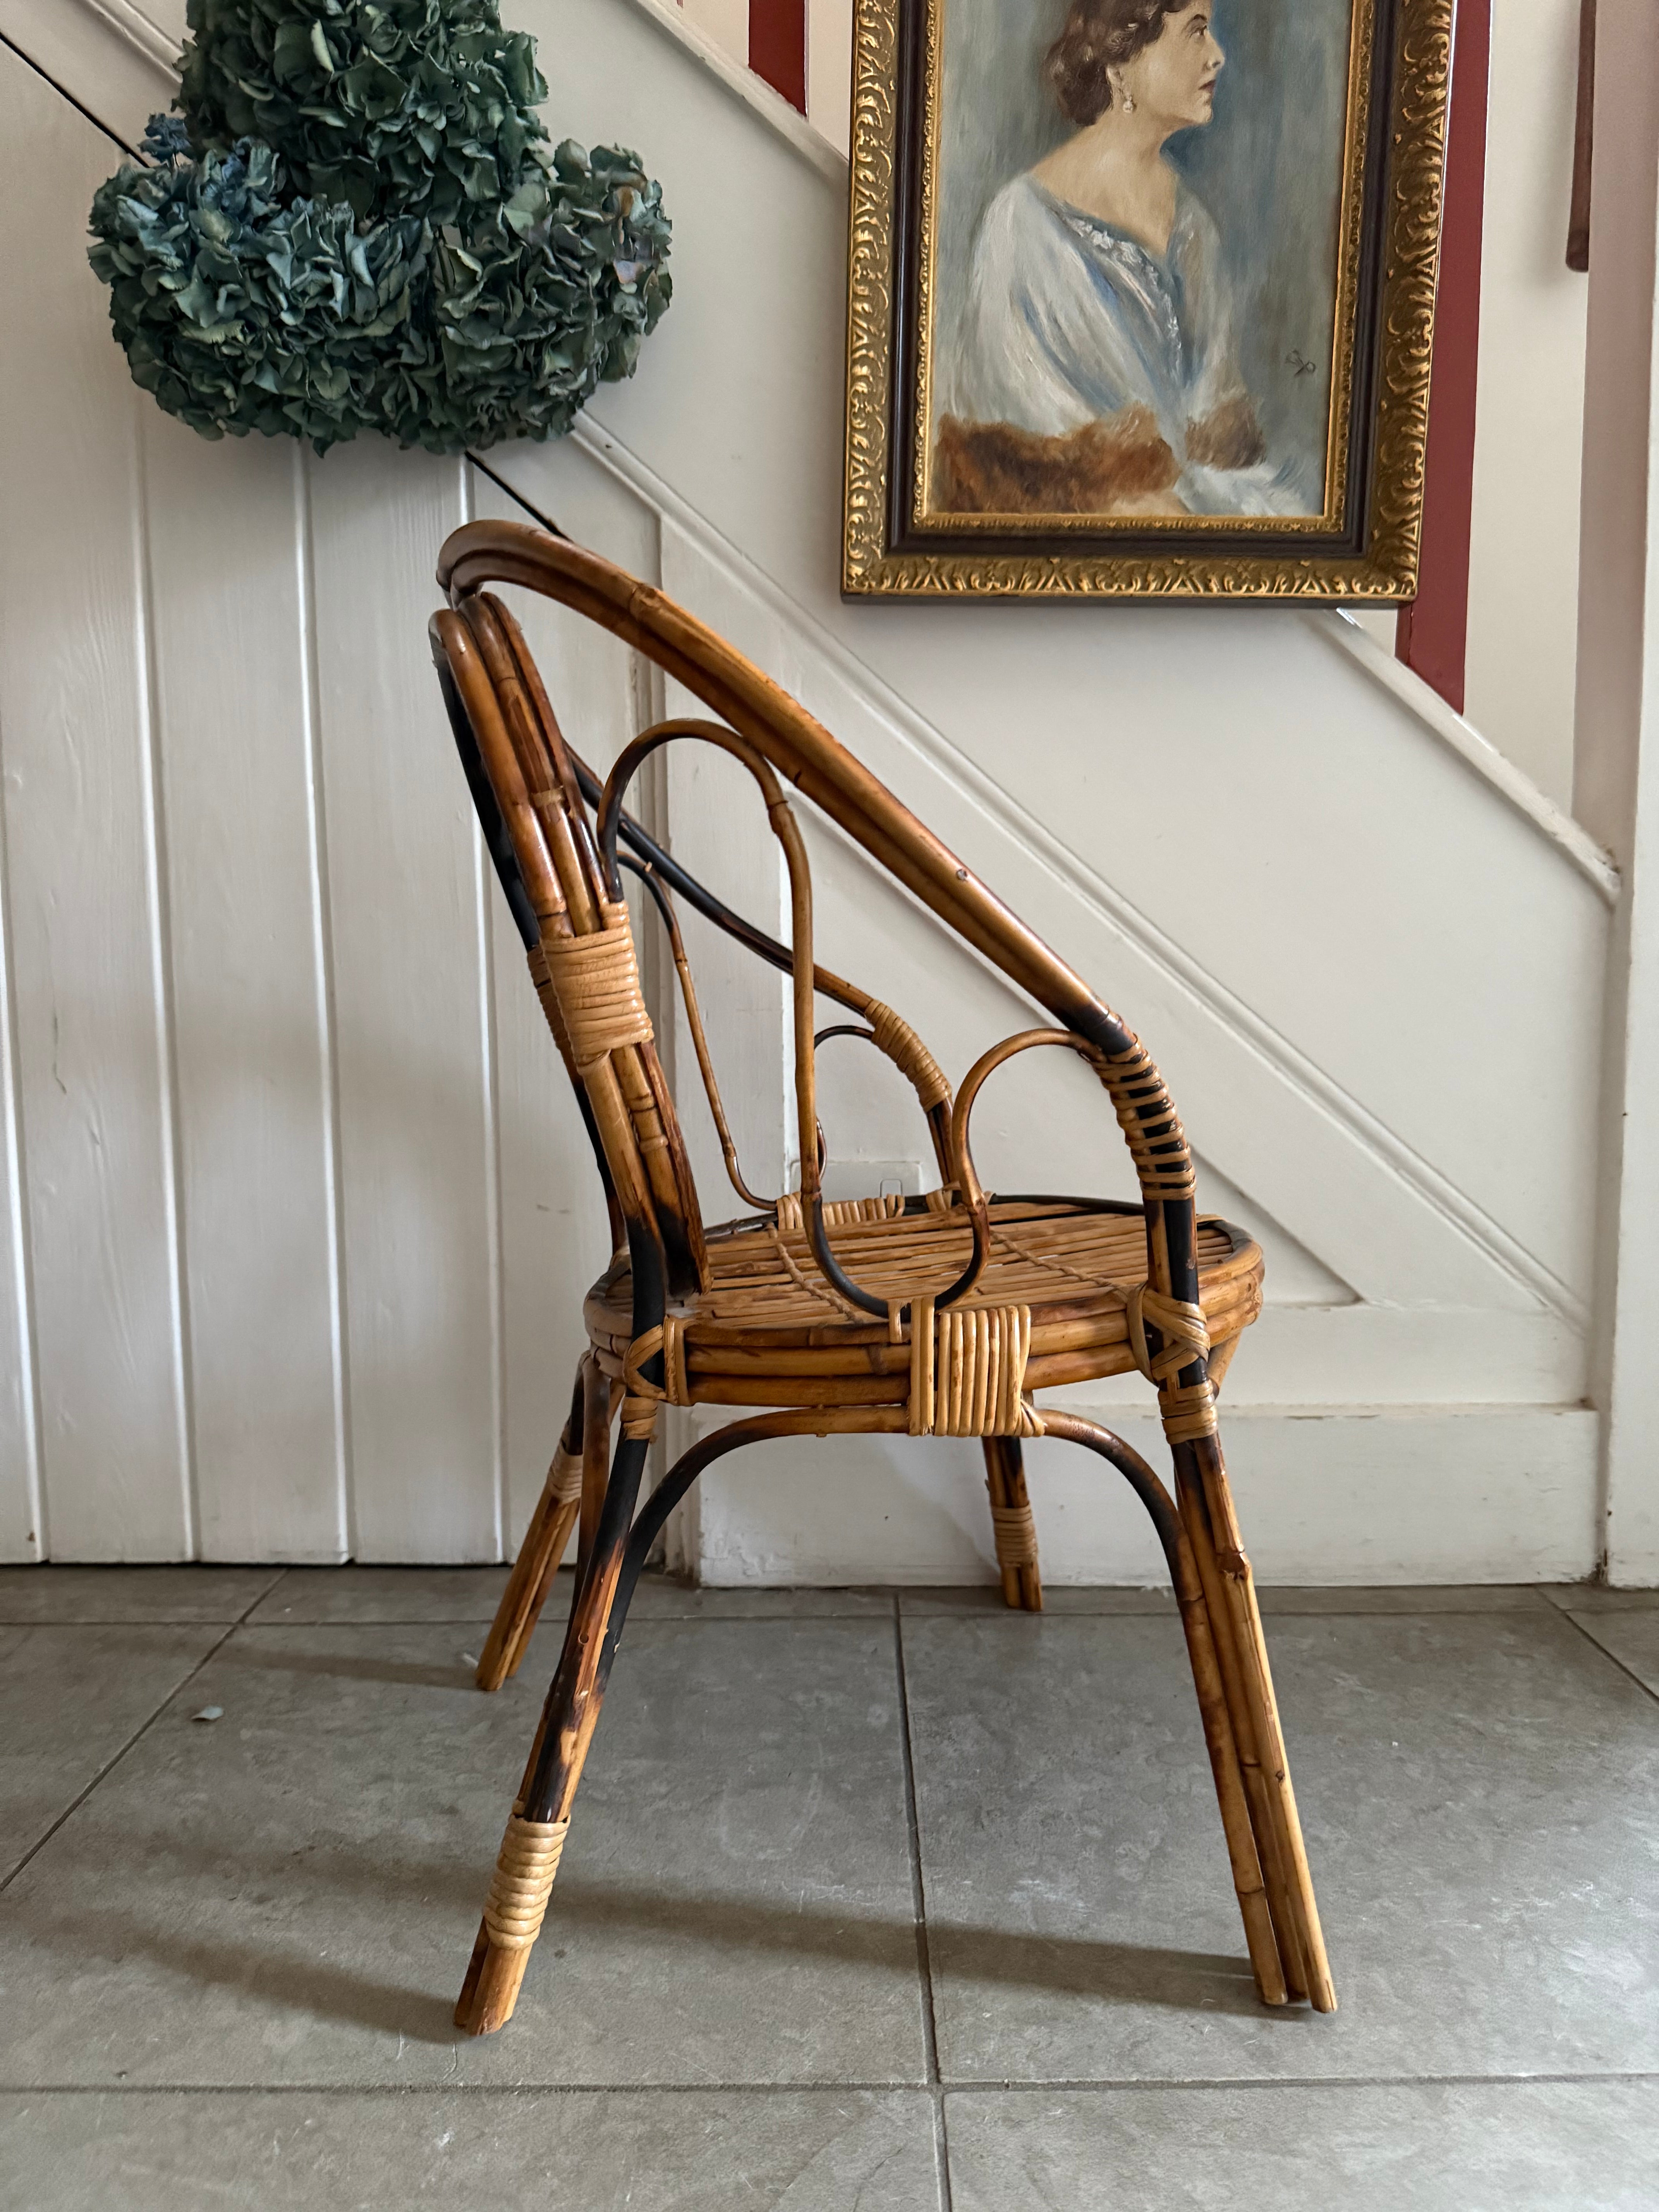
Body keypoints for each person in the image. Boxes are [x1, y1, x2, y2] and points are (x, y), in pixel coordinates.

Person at [938, 0, 1314, 518]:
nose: (1218, 56)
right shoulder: (1022, 226)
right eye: (1196, 33)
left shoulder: (1192, 225)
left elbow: (1217, 434)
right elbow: (1014, 457)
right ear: (1122, 62)